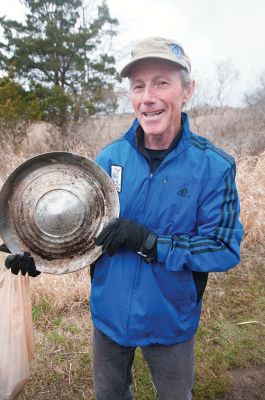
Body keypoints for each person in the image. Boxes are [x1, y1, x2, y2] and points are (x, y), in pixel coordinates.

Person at [91, 37, 243, 400]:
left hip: (171, 319)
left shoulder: (213, 167)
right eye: (138, 86)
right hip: (108, 316)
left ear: (188, 90)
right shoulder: (107, 159)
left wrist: (151, 242)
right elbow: (85, 230)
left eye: (162, 82)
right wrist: (39, 254)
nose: (148, 97)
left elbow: (223, 247)